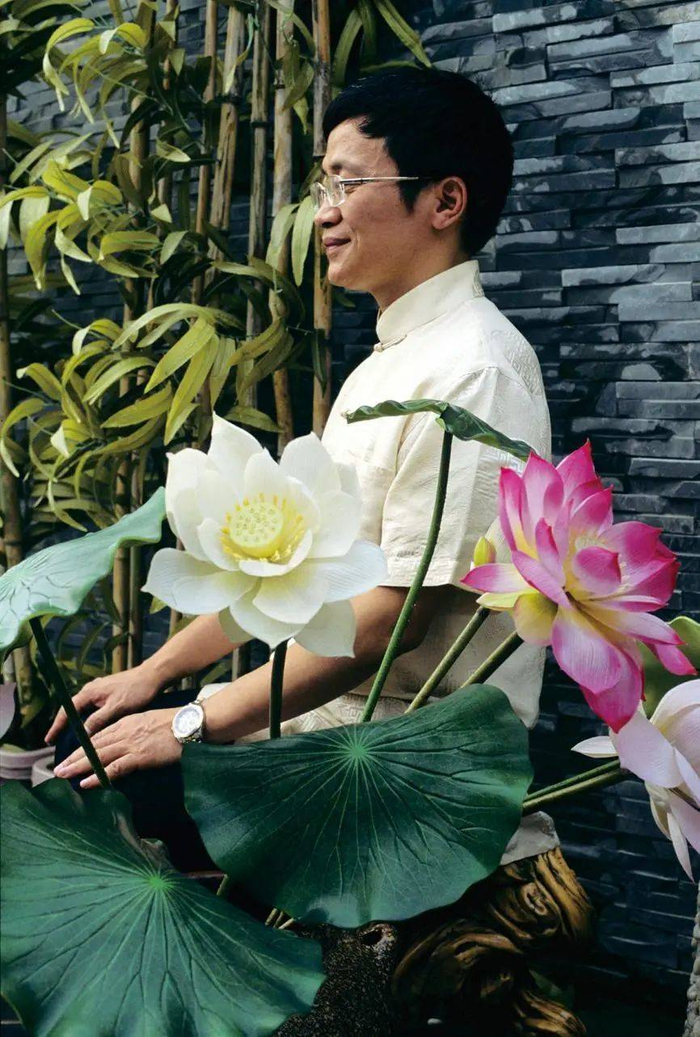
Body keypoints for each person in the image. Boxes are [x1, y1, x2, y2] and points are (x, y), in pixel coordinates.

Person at [52, 66, 557, 877]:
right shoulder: (391, 361)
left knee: (98, 790)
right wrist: (153, 674)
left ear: (445, 201)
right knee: (75, 743)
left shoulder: (476, 369)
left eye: (348, 184)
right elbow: (291, 579)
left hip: (399, 753)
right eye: (324, 186)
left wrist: (191, 721)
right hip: (326, 723)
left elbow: (389, 621)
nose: (323, 212)